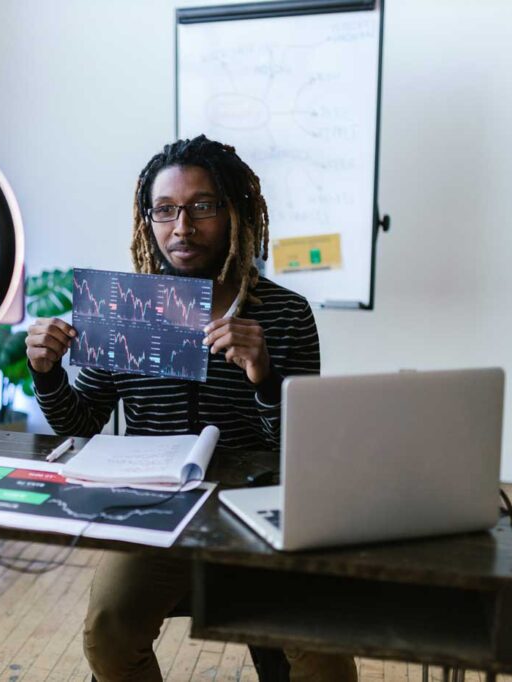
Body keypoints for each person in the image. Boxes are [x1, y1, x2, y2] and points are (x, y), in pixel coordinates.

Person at [24, 135, 356, 682]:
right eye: (165, 210)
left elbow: (302, 447)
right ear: (148, 220)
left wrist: (265, 378)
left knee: (323, 651)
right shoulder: (126, 309)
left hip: (257, 510)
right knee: (107, 631)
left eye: (202, 206)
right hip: (152, 508)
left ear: (235, 212)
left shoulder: (286, 314)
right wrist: (47, 373)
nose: (183, 226)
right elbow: (81, 420)